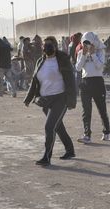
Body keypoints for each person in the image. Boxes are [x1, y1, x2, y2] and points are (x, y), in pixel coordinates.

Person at [23, 36, 77, 166]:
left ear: (55, 46)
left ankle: (46, 157)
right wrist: (28, 98)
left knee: (49, 127)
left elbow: (71, 81)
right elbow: (34, 82)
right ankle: (70, 150)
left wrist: (71, 100)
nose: (47, 46)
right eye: (45, 44)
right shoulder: (40, 61)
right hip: (45, 101)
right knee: (57, 126)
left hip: (60, 98)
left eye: (50, 44)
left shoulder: (62, 60)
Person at [75, 32, 110, 143]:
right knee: (86, 110)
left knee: (102, 109)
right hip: (86, 82)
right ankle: (87, 135)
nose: (86, 45)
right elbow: (78, 68)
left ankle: (106, 131)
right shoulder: (81, 52)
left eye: (88, 43)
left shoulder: (100, 52)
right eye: (84, 43)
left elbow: (100, 66)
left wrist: (93, 54)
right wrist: (84, 55)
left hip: (97, 82)